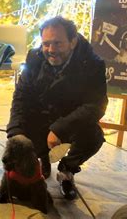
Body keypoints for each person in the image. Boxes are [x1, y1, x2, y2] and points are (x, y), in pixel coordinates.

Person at [6, 16, 107, 200]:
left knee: (94, 137)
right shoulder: (34, 58)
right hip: (40, 118)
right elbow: (21, 97)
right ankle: (41, 160)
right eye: (46, 44)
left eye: (58, 43)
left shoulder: (93, 64)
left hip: (71, 122)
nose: (51, 50)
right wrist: (16, 133)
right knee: (20, 139)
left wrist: (59, 129)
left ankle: (66, 170)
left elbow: (96, 106)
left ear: (73, 41)